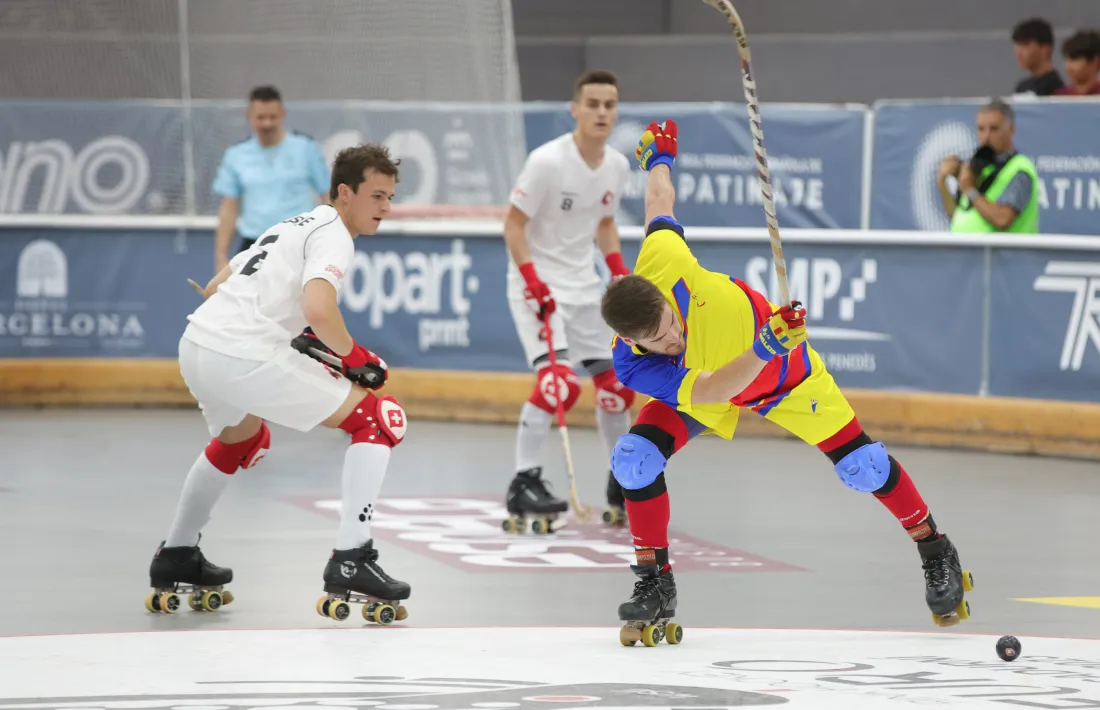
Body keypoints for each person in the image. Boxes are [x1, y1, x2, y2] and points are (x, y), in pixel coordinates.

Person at [599, 120, 973, 646]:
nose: (673, 339)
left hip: (784, 378)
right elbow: (710, 392)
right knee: (633, 459)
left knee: (863, 467)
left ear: (661, 297)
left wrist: (659, 155)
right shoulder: (634, 364)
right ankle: (654, 582)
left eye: (670, 325)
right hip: (721, 378)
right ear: (630, 340)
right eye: (658, 342)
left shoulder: (662, 263)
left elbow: (659, 205)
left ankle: (935, 548)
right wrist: (764, 344)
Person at [145, 144, 411, 625]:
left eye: (390, 197)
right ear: (345, 193)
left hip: (197, 344)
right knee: (380, 418)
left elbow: (213, 289)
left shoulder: (288, 224)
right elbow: (318, 309)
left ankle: (177, 553)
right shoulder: (335, 234)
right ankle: (352, 557)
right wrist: (355, 360)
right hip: (240, 353)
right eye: (377, 196)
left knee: (239, 440)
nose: (386, 208)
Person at [501, 69, 637, 531]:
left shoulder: (617, 166)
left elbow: (603, 222)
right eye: (593, 104)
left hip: (584, 289)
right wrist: (531, 277)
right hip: (538, 287)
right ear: (575, 109)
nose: (602, 112)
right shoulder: (547, 162)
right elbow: (513, 225)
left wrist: (617, 267)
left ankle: (622, 481)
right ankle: (524, 481)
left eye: (610, 105)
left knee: (617, 389)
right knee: (557, 384)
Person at [211, 85, 331, 273]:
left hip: (298, 243)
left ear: (283, 113)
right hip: (254, 244)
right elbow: (229, 209)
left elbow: (327, 197)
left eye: (272, 117)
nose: (267, 123)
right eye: (260, 118)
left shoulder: (306, 149)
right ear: (249, 115)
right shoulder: (236, 155)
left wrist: (328, 241)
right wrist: (221, 256)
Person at [937, 99, 1039, 234]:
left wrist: (970, 190)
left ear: (1011, 129)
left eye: (994, 129)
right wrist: (942, 181)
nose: (986, 137)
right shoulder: (979, 165)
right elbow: (957, 216)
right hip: (967, 253)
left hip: (1003, 254)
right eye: (981, 129)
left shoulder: (1020, 168)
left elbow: (1002, 219)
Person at [1011, 18, 1065, 96]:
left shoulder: (1056, 89)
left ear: (1045, 49)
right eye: (1017, 45)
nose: (1019, 52)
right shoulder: (1022, 87)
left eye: (1025, 44)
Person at [1052, 30, 1100, 96]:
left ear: (1095, 62)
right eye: (1067, 59)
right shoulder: (1059, 96)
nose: (1068, 66)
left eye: (1075, 59)